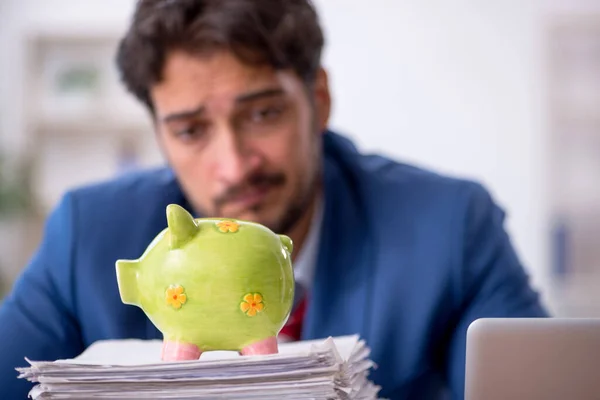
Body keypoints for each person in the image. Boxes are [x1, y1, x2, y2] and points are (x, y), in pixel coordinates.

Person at [0, 0, 548, 398]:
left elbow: (541, 387)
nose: (235, 165)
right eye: (191, 130)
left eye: (263, 114)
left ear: (319, 100)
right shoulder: (87, 233)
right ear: (160, 134)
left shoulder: (450, 226)